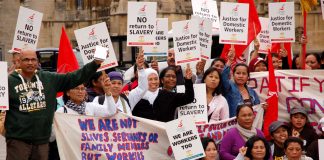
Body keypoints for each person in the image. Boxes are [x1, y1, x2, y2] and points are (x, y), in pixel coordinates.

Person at [5, 49, 102, 160]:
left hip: (42, 141)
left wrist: (95, 63)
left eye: (33, 60)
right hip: (18, 141)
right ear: (19, 61)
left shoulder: (49, 78)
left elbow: (74, 77)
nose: (30, 63)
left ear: (37, 62)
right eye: (26, 60)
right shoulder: (9, 81)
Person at [222, 50, 262, 117]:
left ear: (248, 77)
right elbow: (223, 77)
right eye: (238, 73)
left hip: (249, 124)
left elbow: (257, 108)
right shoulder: (229, 87)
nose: (241, 76)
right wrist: (229, 61)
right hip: (232, 124)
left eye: (244, 73)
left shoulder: (252, 92)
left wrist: (262, 107)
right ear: (233, 75)